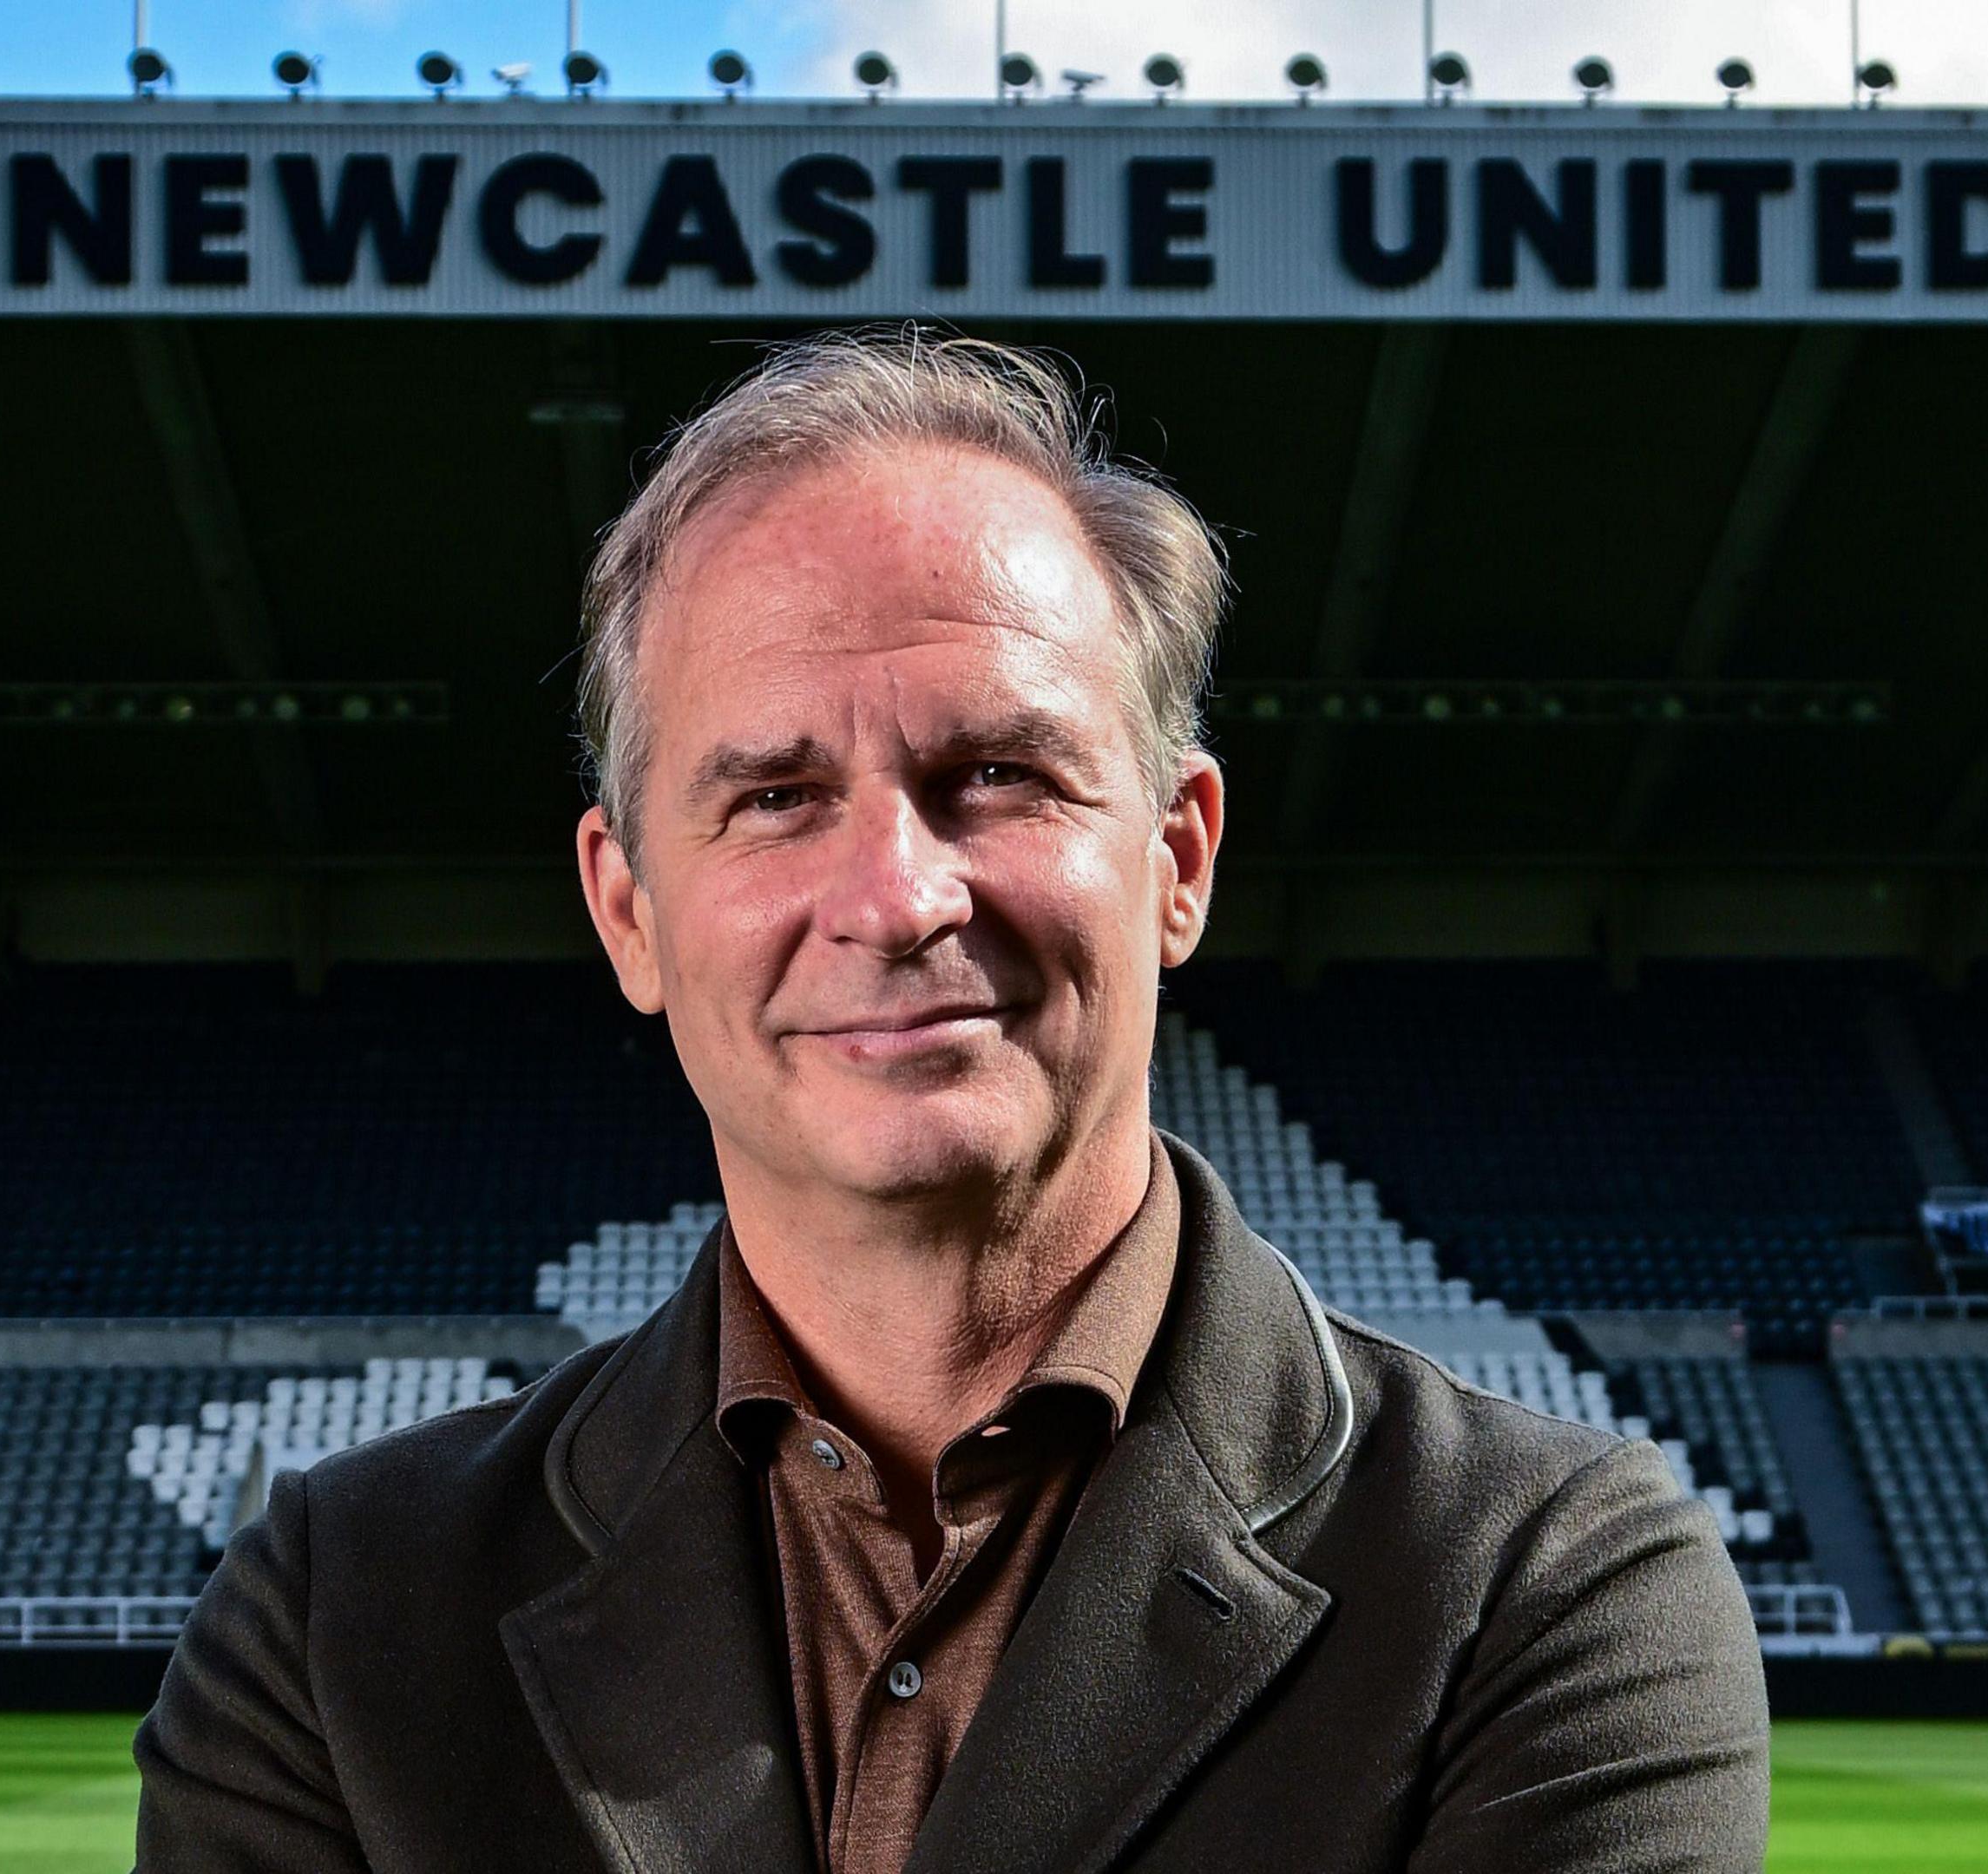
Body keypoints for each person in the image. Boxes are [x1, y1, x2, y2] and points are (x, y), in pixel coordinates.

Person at [135, 329, 1768, 1873]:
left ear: (1179, 857)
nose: (896, 895)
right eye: (775, 797)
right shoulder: (334, 1612)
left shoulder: (1549, 1580)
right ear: (626, 909)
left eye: (996, 775)